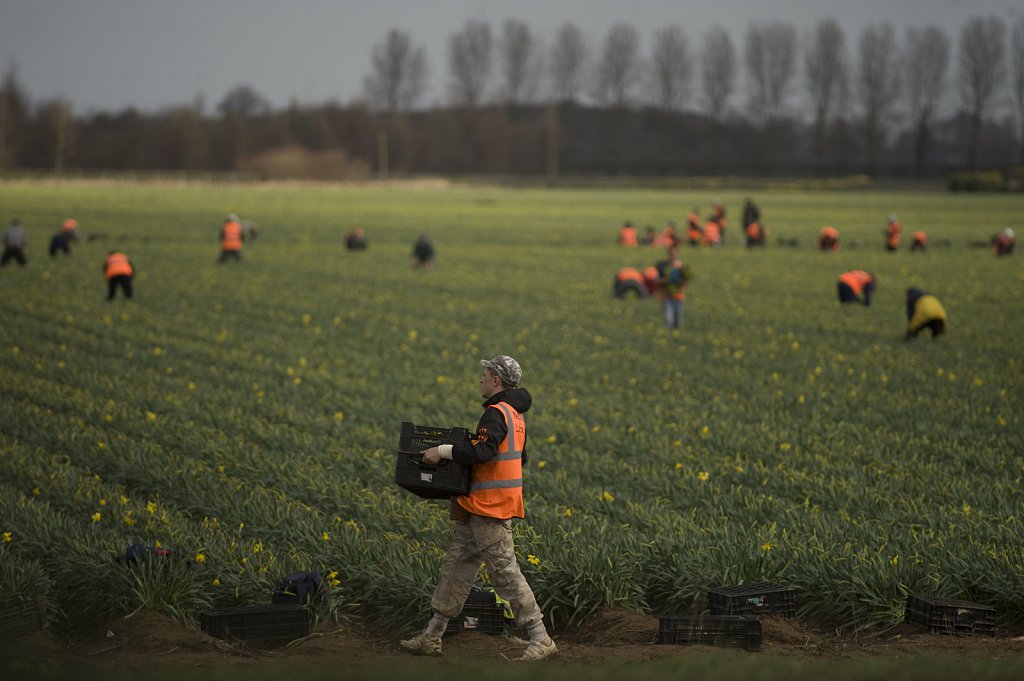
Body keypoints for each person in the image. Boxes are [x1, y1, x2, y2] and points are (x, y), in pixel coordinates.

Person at [401, 355, 557, 662]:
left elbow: (484, 452)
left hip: (490, 509)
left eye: (484, 375)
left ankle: (540, 638)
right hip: (480, 506)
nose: (481, 380)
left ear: (496, 380)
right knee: (457, 567)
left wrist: (442, 452)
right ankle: (431, 636)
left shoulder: (496, 414)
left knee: (504, 572)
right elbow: (517, 457)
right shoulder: (514, 415)